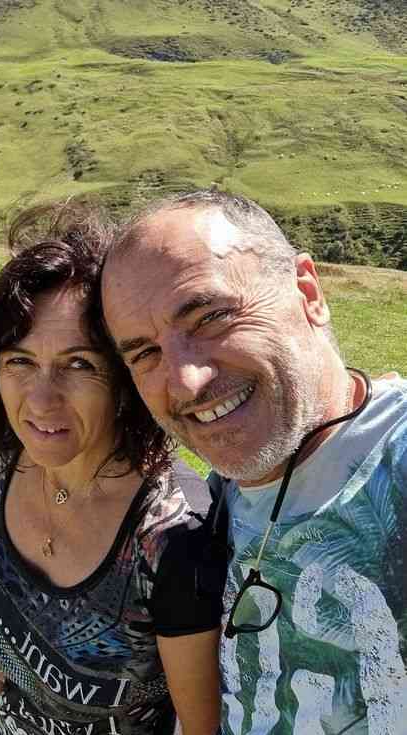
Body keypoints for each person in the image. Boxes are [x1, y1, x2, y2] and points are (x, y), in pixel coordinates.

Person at [100, 189, 407, 735]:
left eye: (211, 317)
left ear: (308, 292)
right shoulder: (220, 498)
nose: (186, 383)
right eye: (145, 353)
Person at [0, 202, 227, 735]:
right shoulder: (17, 460)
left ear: (125, 377)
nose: (41, 401)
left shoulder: (174, 540)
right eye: (20, 361)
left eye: (78, 364)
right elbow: (0, 649)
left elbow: (199, 728)